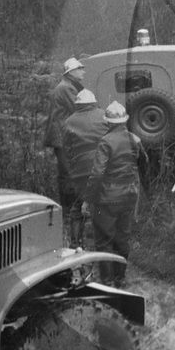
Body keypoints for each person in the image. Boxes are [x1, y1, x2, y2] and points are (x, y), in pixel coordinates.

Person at [82, 101, 144, 285]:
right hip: (129, 195)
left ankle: (108, 281)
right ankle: (120, 278)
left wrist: (88, 199)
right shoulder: (135, 139)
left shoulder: (105, 142)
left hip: (107, 198)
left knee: (103, 240)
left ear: (108, 122)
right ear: (124, 121)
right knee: (122, 237)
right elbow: (142, 165)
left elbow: (97, 173)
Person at [61, 89, 106, 246]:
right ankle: (106, 243)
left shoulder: (69, 122)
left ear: (77, 105)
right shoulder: (104, 115)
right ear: (93, 102)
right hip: (104, 168)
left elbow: (66, 148)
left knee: (77, 209)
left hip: (81, 173)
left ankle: (76, 244)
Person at [44, 57, 85, 216]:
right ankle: (70, 211)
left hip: (62, 136)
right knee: (69, 174)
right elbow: (80, 108)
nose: (83, 71)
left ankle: (70, 209)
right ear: (71, 72)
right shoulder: (67, 88)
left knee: (67, 173)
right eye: (80, 68)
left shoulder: (67, 86)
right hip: (62, 137)